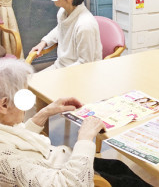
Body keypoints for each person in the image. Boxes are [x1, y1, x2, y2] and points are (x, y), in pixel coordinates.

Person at [0, 58, 151, 186]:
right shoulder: (5, 161)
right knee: (127, 181)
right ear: (4, 105)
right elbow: (69, 183)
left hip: (59, 160)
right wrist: (84, 139)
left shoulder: (4, 132)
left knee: (117, 166)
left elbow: (17, 143)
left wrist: (44, 113)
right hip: (66, 174)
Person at [30, 0, 102, 70]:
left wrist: (61, 74)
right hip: (60, 66)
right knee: (31, 81)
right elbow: (60, 29)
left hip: (78, 73)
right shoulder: (63, 12)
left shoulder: (85, 25)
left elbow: (85, 63)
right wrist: (44, 42)